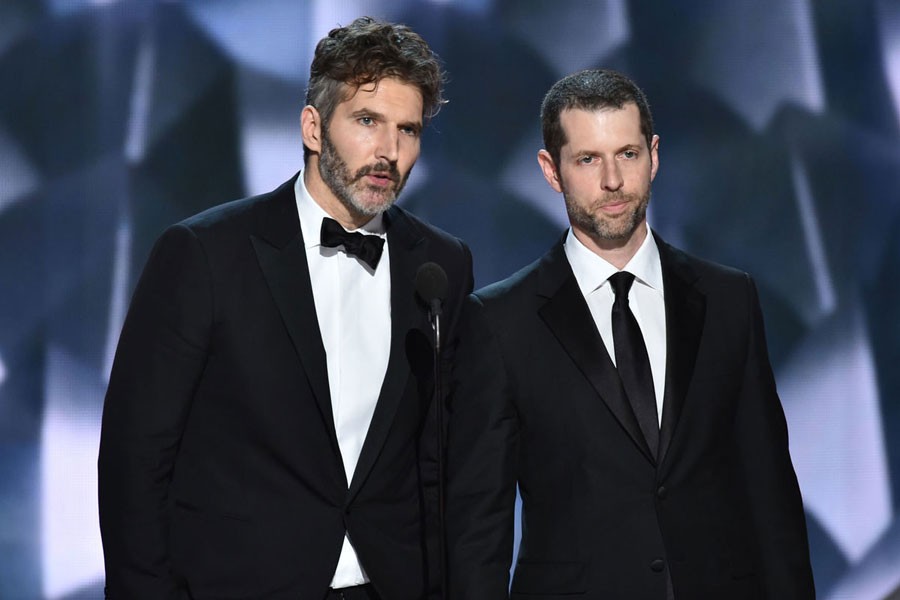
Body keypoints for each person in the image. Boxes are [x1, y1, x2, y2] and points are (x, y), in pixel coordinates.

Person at [98, 16, 473, 600]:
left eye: (409, 129)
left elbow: (444, 460)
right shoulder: (204, 254)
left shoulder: (442, 266)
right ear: (314, 127)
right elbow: (134, 460)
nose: (389, 152)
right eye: (367, 121)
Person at [446, 69, 815, 599]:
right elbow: (480, 528)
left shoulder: (728, 299)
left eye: (628, 154)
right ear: (552, 171)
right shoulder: (500, 320)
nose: (613, 181)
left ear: (654, 155)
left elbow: (770, 492)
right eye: (588, 159)